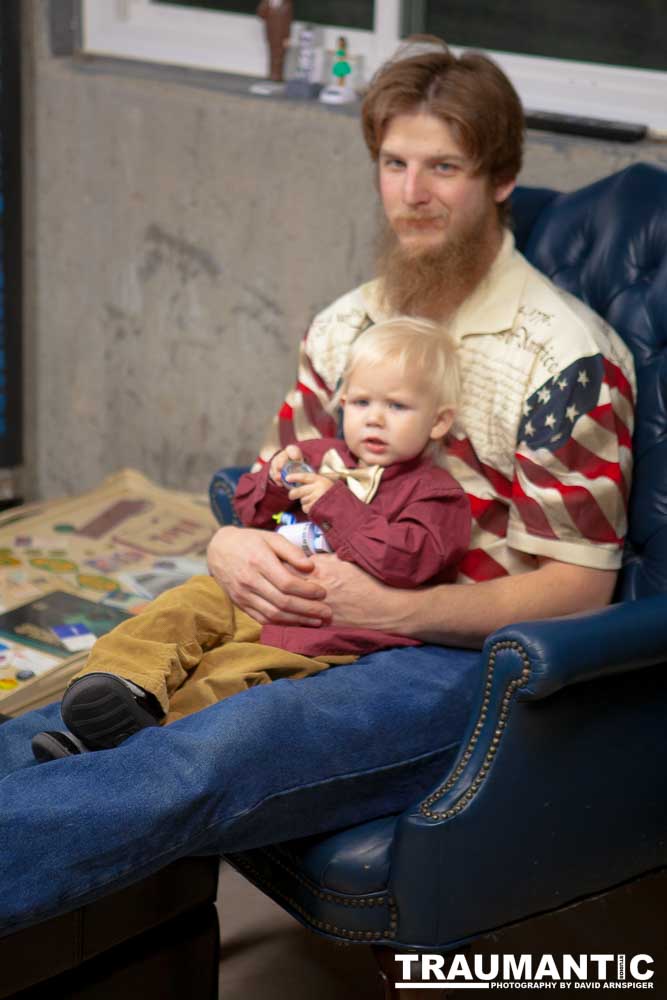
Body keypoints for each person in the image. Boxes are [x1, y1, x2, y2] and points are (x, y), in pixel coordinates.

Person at [0, 38, 635, 936]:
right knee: (99, 693)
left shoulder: (565, 359)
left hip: (448, 655)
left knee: (207, 750)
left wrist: (396, 609)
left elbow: (579, 590)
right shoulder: (348, 325)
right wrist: (227, 543)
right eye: (394, 164)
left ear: (499, 179)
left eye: (444, 167)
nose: (412, 195)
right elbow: (280, 475)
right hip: (310, 600)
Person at [31, 320, 469, 759]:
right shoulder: (319, 457)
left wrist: (336, 504)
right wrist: (275, 482)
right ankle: (118, 685)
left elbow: (409, 562)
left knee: (223, 677)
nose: (374, 418)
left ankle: (123, 751)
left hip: (322, 630)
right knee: (173, 612)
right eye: (361, 402)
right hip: (251, 592)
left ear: (438, 421)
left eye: (397, 406)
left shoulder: (437, 495)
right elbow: (248, 512)